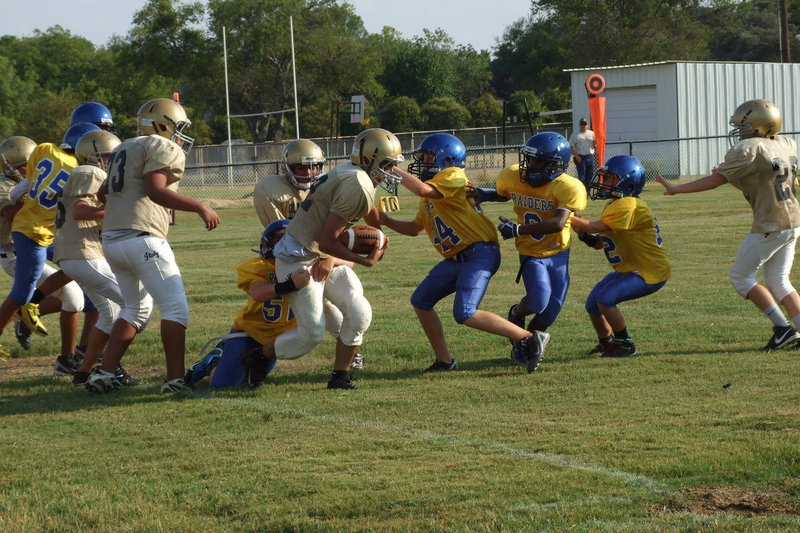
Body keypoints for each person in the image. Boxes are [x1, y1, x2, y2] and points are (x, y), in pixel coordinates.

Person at [85, 98, 220, 394]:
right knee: (175, 309)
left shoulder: (122, 147)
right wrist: (200, 206)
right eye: (177, 127)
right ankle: (175, 380)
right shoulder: (162, 146)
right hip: (142, 238)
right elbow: (156, 190)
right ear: (162, 124)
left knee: (134, 309)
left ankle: (104, 374)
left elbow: (104, 193)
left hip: (112, 239)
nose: (179, 135)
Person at [380, 132, 542, 372]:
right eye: (422, 157)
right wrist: (383, 219)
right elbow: (414, 229)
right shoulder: (432, 195)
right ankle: (445, 361)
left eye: (427, 157)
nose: (422, 163)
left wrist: (390, 169)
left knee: (465, 312)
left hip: (479, 253)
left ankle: (528, 337)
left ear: (446, 160)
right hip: (458, 258)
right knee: (421, 301)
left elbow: (424, 190)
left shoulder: (454, 176)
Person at [656, 98, 800, 352]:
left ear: (759, 127)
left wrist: (676, 189)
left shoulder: (750, 148)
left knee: (741, 276)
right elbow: (759, 183)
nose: (739, 132)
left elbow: (714, 181)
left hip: (771, 223)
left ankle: (783, 329)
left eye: (743, 127)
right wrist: (729, 176)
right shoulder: (785, 144)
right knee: (779, 280)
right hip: (793, 221)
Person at [266, 128, 400, 390]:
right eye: (386, 165)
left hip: (321, 254)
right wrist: (363, 261)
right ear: (369, 159)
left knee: (359, 310)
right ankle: (256, 357)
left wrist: (380, 238)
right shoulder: (356, 183)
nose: (390, 172)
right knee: (311, 334)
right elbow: (327, 240)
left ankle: (341, 376)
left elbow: (363, 217)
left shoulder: (354, 174)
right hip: (299, 257)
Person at [471, 132, 588, 369]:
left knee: (550, 312)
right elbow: (507, 194)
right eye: (530, 159)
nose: (531, 165)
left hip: (559, 253)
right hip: (531, 252)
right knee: (537, 300)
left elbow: (557, 223)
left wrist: (517, 229)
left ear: (556, 165)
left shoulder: (567, 187)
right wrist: (487, 194)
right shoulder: (515, 176)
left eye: (539, 161)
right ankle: (516, 313)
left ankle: (525, 346)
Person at [252, 138, 364, 369]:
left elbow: (340, 232)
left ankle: (349, 358)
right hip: (293, 255)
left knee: (352, 306)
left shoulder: (329, 185)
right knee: (316, 319)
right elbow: (281, 234)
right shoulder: (271, 188)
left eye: (314, 167)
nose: (310, 172)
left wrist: (330, 258)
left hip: (325, 255)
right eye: (302, 167)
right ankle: (257, 354)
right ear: (288, 168)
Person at [0, 124, 98, 373]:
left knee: (75, 288)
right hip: (18, 245)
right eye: (22, 165)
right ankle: (24, 315)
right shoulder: (4, 185)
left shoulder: (45, 155)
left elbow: (32, 190)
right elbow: (12, 211)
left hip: (40, 236)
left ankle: (66, 360)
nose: (25, 169)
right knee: (22, 295)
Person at [53, 129, 141, 386]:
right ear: (94, 156)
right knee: (134, 307)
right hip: (82, 253)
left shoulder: (84, 173)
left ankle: (84, 373)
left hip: (79, 254)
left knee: (111, 314)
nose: (111, 162)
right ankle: (110, 369)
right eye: (107, 157)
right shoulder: (89, 172)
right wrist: (117, 212)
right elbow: (81, 212)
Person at [184, 220, 311, 389]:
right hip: (250, 333)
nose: (287, 245)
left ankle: (235, 361)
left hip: (277, 339)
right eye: (281, 240)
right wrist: (290, 285)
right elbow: (259, 293)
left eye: (292, 239)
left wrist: (329, 260)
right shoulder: (260, 266)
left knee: (248, 381)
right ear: (268, 244)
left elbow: (343, 261)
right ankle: (214, 361)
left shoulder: (307, 264)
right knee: (223, 386)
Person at [571, 155, 671, 357]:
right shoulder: (615, 204)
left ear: (628, 182)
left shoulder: (629, 205)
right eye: (605, 178)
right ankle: (607, 342)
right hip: (630, 269)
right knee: (593, 303)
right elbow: (600, 242)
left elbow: (593, 226)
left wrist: (565, 216)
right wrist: (585, 236)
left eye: (610, 179)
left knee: (606, 299)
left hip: (649, 272)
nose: (604, 183)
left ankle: (625, 343)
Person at [569, 118, 596, 188]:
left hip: (590, 157)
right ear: (579, 125)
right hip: (581, 158)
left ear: (587, 125)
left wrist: (595, 144)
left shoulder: (592, 133)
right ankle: (582, 193)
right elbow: (571, 147)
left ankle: (587, 194)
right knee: (582, 178)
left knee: (590, 176)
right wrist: (576, 156)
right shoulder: (575, 134)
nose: (583, 125)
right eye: (582, 124)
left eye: (585, 124)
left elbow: (595, 144)